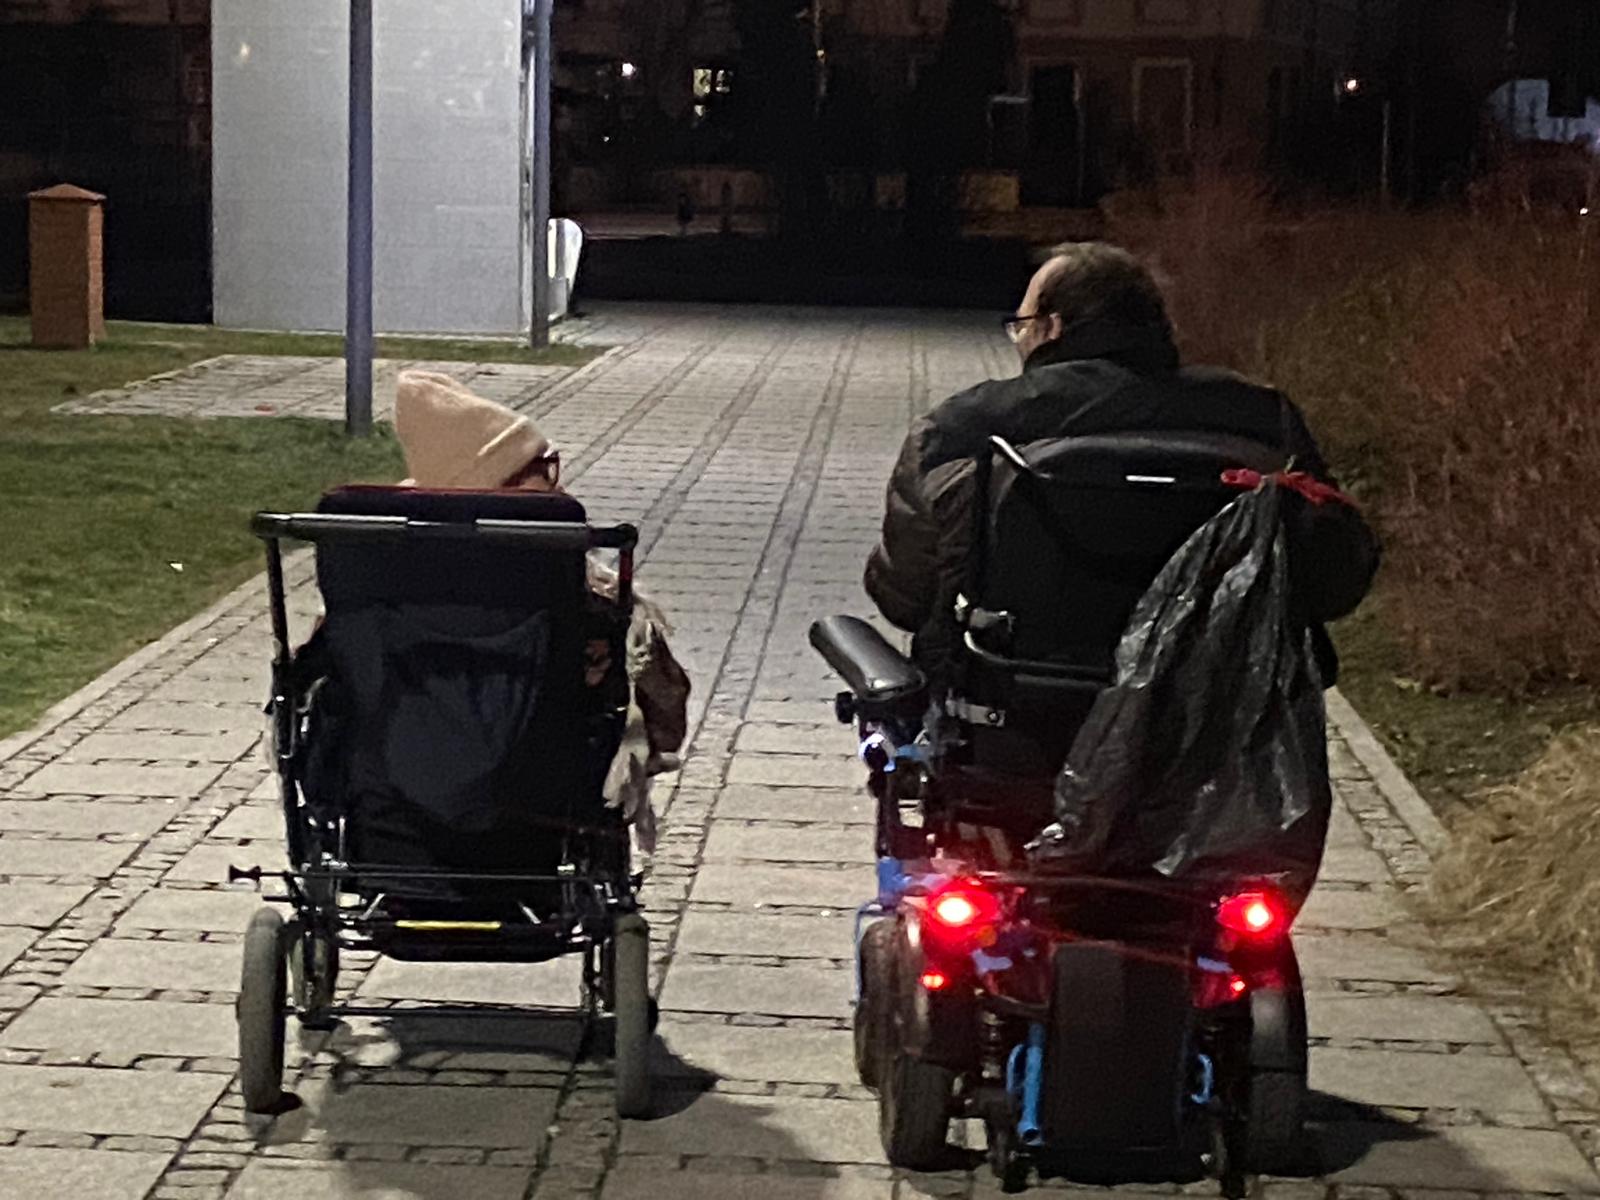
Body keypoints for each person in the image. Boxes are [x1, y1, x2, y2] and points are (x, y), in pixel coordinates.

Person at [864, 241, 1379, 689]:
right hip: (1214, 718)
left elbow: (905, 595)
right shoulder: (1263, 419)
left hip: (1011, 708)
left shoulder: (963, 427)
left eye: (1021, 327)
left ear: (1052, 328)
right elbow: (1333, 582)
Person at [387, 370, 689, 849]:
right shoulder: (582, 595)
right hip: (550, 807)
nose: (558, 484)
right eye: (544, 469)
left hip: (393, 804)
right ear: (505, 484)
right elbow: (665, 718)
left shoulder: (379, 582)